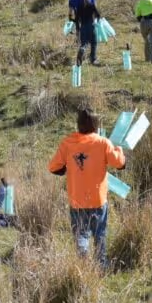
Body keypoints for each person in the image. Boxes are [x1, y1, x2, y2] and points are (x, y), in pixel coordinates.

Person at [47, 109, 127, 267]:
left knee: (80, 236)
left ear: (78, 124)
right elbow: (119, 164)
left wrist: (67, 168)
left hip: (77, 201)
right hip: (98, 200)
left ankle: (82, 265)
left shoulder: (68, 143)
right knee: (100, 234)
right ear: (96, 126)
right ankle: (101, 265)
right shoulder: (102, 142)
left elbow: (54, 167)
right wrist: (119, 151)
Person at [73, 0, 102, 66]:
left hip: (83, 27)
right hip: (91, 26)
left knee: (84, 43)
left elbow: (76, 20)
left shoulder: (79, 7)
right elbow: (98, 15)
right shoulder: (91, 5)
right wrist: (97, 21)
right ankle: (93, 59)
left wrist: (77, 30)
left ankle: (82, 50)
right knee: (94, 42)